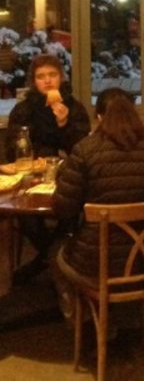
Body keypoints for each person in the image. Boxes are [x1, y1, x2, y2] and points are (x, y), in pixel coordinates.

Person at [52, 88, 144, 327]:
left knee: (56, 254)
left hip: (97, 263)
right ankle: (127, 322)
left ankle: (85, 323)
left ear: (100, 118)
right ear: (134, 115)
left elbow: (63, 208)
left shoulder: (85, 151)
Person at [5, 54, 90, 282]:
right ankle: (53, 256)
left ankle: (46, 258)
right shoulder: (24, 109)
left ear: (61, 77)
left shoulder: (75, 107)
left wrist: (64, 124)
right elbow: (13, 148)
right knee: (25, 213)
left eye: (52, 75)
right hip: (32, 175)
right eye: (41, 77)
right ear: (34, 81)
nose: (48, 81)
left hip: (69, 176)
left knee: (70, 209)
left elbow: (84, 149)